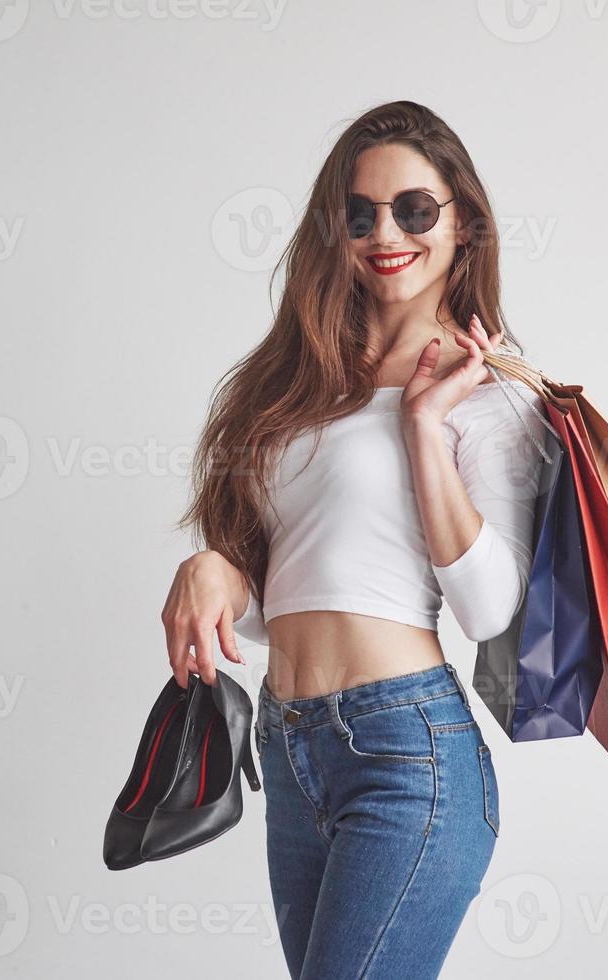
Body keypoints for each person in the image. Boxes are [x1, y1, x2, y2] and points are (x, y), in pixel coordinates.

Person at [163, 100, 548, 980]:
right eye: (361, 212)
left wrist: (423, 428)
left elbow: (489, 607)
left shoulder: (488, 395)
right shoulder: (293, 388)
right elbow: (282, 604)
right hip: (288, 746)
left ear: (463, 225)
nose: (388, 233)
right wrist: (213, 565)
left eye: (415, 209)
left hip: (406, 750)